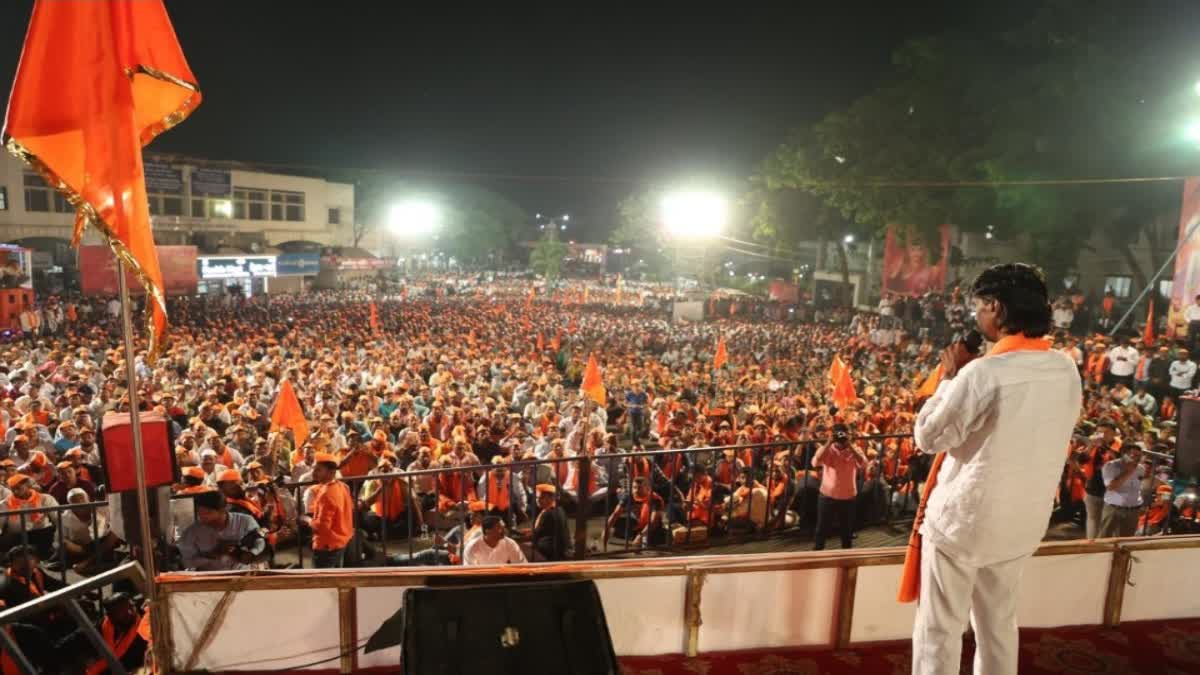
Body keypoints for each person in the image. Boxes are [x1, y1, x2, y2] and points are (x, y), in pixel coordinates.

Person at [910, 263, 1081, 675]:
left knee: (939, 630)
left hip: (963, 523)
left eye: (979, 307)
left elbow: (929, 438)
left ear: (996, 307)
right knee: (998, 625)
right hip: (1022, 521)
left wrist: (950, 378)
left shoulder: (983, 373)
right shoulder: (1065, 367)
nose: (976, 317)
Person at [176, 490, 267, 571]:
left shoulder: (245, 521)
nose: (203, 517)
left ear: (223, 510)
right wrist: (213, 555)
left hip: (241, 575)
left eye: (208, 513)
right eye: (200, 513)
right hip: (209, 579)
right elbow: (186, 562)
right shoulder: (192, 532)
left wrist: (251, 553)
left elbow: (260, 541)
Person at [811, 422, 867, 550]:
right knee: (821, 529)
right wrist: (828, 442)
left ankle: (846, 558)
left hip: (848, 497)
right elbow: (815, 462)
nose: (841, 436)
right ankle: (817, 554)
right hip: (827, 495)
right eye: (838, 433)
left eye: (844, 433)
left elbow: (864, 465)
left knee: (846, 531)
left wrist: (850, 446)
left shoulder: (855, 449)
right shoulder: (827, 449)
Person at [304, 452, 355, 568]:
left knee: (322, 583)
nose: (313, 473)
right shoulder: (343, 486)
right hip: (340, 542)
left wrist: (306, 519)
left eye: (318, 470)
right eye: (314, 469)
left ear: (331, 473)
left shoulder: (326, 493)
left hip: (326, 547)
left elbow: (321, 527)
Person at [1098, 443, 1145, 539]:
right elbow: (1111, 487)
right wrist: (1128, 472)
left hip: (1133, 510)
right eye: (1134, 455)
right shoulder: (1110, 466)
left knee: (1126, 540)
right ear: (1125, 455)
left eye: (1140, 456)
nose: (1138, 459)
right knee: (1104, 538)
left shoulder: (1141, 469)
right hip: (1114, 509)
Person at [531, 484, 569, 561]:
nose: (538, 500)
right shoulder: (559, 509)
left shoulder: (548, 513)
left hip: (550, 551)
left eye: (541, 498)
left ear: (551, 498)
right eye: (538, 498)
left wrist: (520, 537)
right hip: (558, 549)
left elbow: (536, 534)